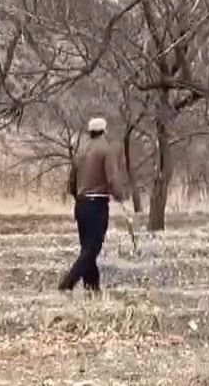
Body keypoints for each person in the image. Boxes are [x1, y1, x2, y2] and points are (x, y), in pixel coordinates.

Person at [60, 117, 127, 294]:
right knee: (93, 248)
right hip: (97, 204)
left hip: (81, 204)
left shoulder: (81, 150)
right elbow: (112, 178)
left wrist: (77, 195)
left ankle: (92, 288)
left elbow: (72, 180)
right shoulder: (106, 149)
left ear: (90, 132)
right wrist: (120, 196)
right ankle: (68, 283)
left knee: (87, 248)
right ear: (104, 131)